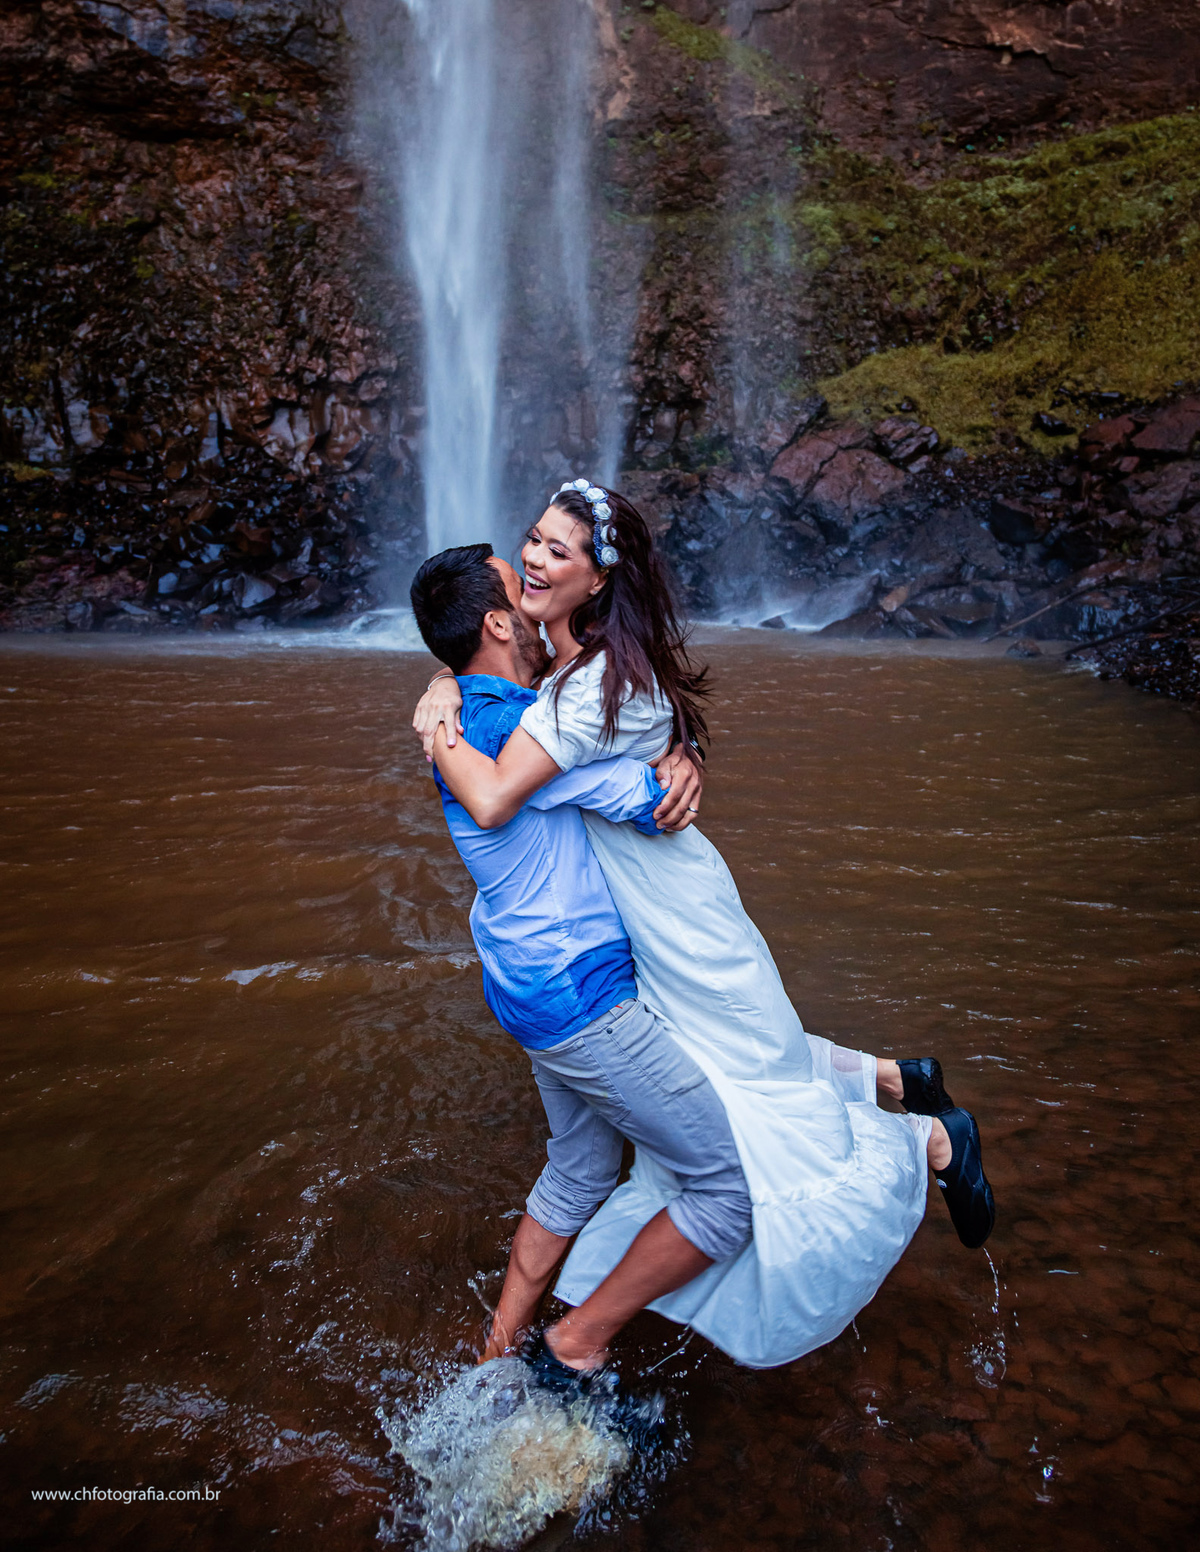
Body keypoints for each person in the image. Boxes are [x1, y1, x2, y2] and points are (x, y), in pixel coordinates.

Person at [412, 481, 995, 1374]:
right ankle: (573, 1346)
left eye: (550, 549)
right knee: (732, 1096)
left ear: (596, 579)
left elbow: (601, 749)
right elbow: (577, 788)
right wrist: (654, 774)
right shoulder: (526, 712)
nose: (530, 562)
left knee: (705, 1076)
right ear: (496, 625)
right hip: (591, 971)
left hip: (616, 942)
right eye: (523, 552)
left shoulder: (552, 696)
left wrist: (668, 759)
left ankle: (500, 1356)